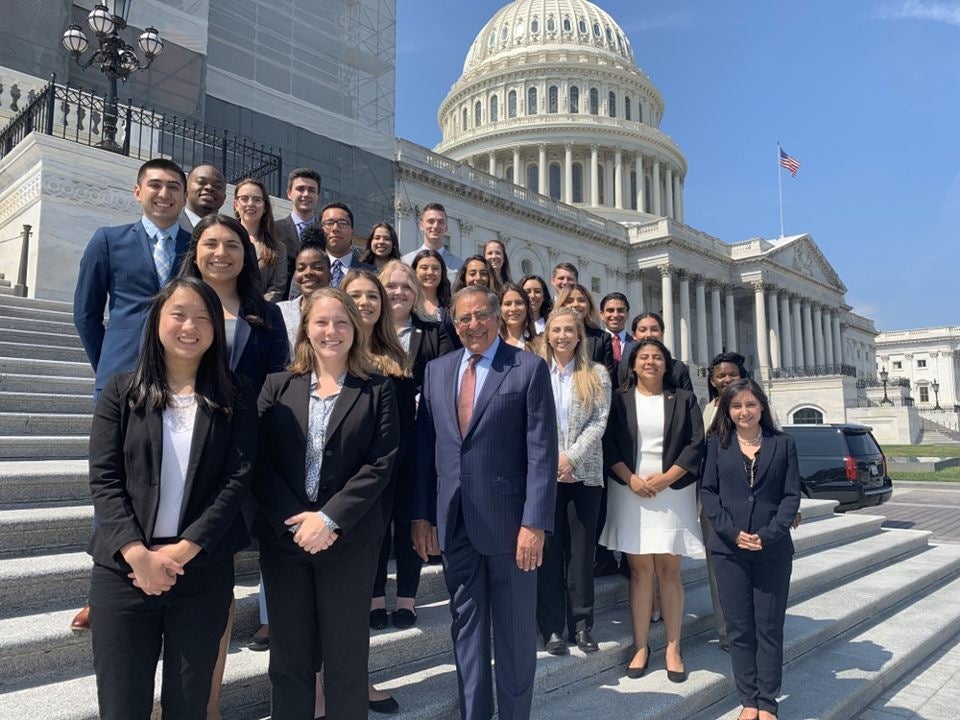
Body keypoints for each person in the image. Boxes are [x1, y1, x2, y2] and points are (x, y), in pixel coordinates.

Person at [87, 277, 257, 720]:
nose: (190, 326)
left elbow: (236, 479)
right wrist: (137, 554)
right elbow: (104, 479)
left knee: (188, 703)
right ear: (157, 321)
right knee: (122, 705)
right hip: (124, 571)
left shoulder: (235, 398)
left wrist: (185, 550)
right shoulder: (121, 392)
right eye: (178, 314)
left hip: (201, 571)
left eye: (204, 318)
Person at [411, 285, 558, 720]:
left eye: (480, 316)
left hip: (512, 528)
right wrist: (422, 515)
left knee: (514, 636)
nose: (471, 325)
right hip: (453, 522)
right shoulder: (437, 370)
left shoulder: (528, 369)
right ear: (453, 324)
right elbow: (426, 449)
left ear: (497, 318)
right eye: (462, 319)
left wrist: (534, 523)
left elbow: (541, 452)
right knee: (467, 633)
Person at [254, 288, 399, 720]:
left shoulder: (377, 389)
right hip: (286, 542)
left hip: (350, 543)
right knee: (289, 659)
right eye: (320, 322)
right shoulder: (277, 386)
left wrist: (330, 519)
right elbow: (258, 461)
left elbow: (381, 462)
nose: (330, 331)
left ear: (355, 329)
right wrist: (298, 523)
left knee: (346, 659)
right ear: (305, 329)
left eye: (340, 322)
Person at [70, 158, 192, 632]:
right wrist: (111, 368)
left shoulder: (192, 247)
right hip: (122, 377)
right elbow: (86, 314)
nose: (165, 195)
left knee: (166, 477)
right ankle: (104, 590)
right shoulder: (108, 240)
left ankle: (164, 573)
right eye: (156, 186)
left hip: (179, 380)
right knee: (115, 480)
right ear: (138, 191)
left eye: (174, 188)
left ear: (184, 197)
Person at [177, 214, 289, 717]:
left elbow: (276, 387)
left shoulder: (264, 315)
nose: (220, 254)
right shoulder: (175, 304)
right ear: (196, 249)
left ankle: (210, 705)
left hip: (238, 458)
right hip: (178, 453)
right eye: (210, 244)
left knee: (215, 589)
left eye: (232, 245)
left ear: (247, 255)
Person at [600, 338, 705, 682]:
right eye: (643, 357)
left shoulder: (685, 399)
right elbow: (609, 444)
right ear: (631, 364)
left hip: (672, 491)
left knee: (669, 571)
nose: (650, 362)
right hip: (630, 490)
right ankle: (641, 646)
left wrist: (665, 479)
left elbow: (694, 445)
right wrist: (630, 479)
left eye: (657, 357)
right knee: (641, 571)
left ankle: (673, 646)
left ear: (666, 364)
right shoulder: (618, 400)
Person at [701, 378, 802, 720]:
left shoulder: (783, 443)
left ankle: (768, 702)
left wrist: (770, 533)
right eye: (736, 406)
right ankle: (748, 700)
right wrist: (731, 532)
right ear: (727, 411)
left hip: (772, 549)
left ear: (762, 407)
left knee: (769, 626)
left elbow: (791, 495)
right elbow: (708, 493)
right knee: (740, 628)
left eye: (750, 404)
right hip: (729, 549)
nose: (744, 412)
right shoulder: (717, 442)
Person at [536, 308, 611, 656]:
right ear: (547, 335)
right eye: (556, 330)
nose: (563, 335)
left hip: (585, 475)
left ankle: (581, 626)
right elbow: (529, 421)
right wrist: (553, 461)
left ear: (579, 335)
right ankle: (552, 629)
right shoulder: (535, 371)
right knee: (549, 553)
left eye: (569, 330)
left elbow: (599, 421)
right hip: (545, 476)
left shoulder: (596, 373)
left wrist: (572, 458)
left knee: (580, 554)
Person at [700, 351, 752, 653]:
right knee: (719, 569)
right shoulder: (708, 409)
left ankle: (751, 625)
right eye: (720, 375)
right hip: (715, 502)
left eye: (731, 374)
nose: (726, 379)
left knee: (750, 566)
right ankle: (728, 632)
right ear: (712, 380)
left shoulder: (755, 407)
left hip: (750, 499)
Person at [233, 177, 287, 302]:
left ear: (265, 207)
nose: (250, 203)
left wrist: (256, 309)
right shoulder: (223, 241)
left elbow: (276, 289)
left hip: (259, 314)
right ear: (236, 205)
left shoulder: (278, 249)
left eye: (257, 200)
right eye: (244, 199)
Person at [276, 236, 331, 355]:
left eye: (317, 267)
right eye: (301, 268)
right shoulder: (279, 311)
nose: (308, 273)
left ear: (330, 275)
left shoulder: (342, 311)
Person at [616, 311, 694, 392]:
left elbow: (688, 401)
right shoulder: (625, 367)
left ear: (662, 333)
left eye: (654, 330)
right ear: (634, 335)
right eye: (643, 330)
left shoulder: (678, 368)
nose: (649, 334)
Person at [273, 168, 322, 297]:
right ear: (289, 193)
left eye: (312, 190)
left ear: (318, 196)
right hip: (282, 305)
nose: (306, 194)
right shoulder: (273, 229)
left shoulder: (326, 232)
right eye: (300, 189)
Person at [555, 284, 615, 381]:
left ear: (589, 305)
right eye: (569, 301)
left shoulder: (602, 338)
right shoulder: (550, 336)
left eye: (581, 300)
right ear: (561, 305)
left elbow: (608, 377)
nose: (576, 304)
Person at [320, 202, 376, 287]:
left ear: (352, 231)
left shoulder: (373, 273)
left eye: (342, 223)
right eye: (329, 223)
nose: (335, 228)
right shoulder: (308, 272)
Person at [401, 202, 463, 278]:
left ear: (446, 227)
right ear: (421, 226)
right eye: (431, 221)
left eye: (440, 222)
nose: (435, 226)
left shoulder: (459, 265)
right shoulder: (406, 262)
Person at [412, 249, 457, 344]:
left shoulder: (451, 306)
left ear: (442, 272)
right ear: (415, 271)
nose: (430, 272)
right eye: (424, 268)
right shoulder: (407, 304)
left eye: (435, 268)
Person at [179, 164, 226, 232]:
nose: (209, 188)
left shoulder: (230, 233)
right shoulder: (168, 223)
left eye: (217, 186)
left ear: (224, 198)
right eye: (201, 182)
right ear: (186, 188)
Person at [499, 282, 539, 350]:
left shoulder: (540, 344)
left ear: (527, 307)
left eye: (519, 303)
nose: (513, 308)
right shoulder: (492, 343)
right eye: (507, 304)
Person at [600, 292, 632, 365]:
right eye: (610, 310)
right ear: (602, 315)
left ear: (627, 314)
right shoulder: (592, 343)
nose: (615, 315)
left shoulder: (636, 345)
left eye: (620, 310)